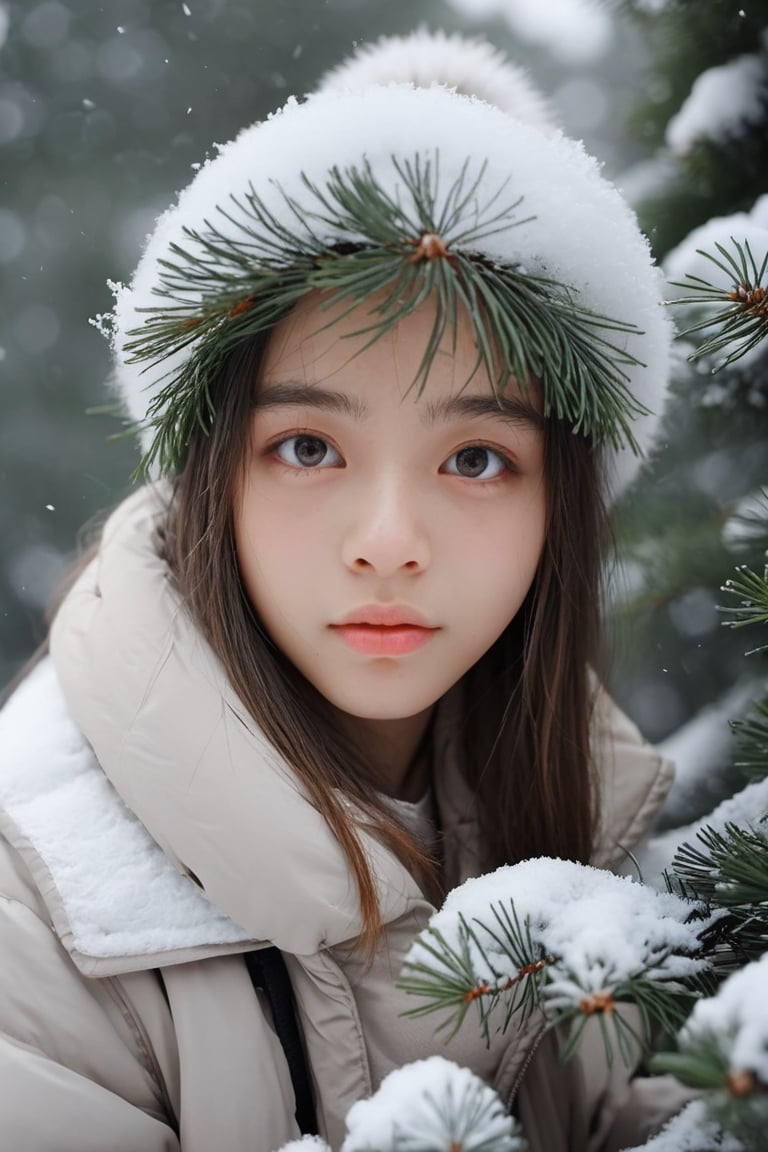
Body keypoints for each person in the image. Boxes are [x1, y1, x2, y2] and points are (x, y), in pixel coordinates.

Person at [0, 29, 686, 1152]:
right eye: (310, 447)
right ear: (211, 467)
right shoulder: (30, 910)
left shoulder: (618, 840)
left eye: (475, 459)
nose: (388, 543)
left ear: (561, 505)